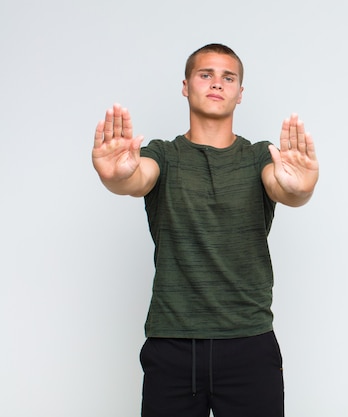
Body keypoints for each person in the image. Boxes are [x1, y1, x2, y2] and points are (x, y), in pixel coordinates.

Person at [92, 43, 319, 417]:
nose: (217, 83)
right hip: (172, 345)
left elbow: (285, 189)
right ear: (186, 86)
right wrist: (117, 177)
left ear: (240, 93)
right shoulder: (162, 154)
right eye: (206, 74)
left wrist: (301, 187)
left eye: (228, 77)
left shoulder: (260, 156)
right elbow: (135, 180)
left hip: (249, 343)